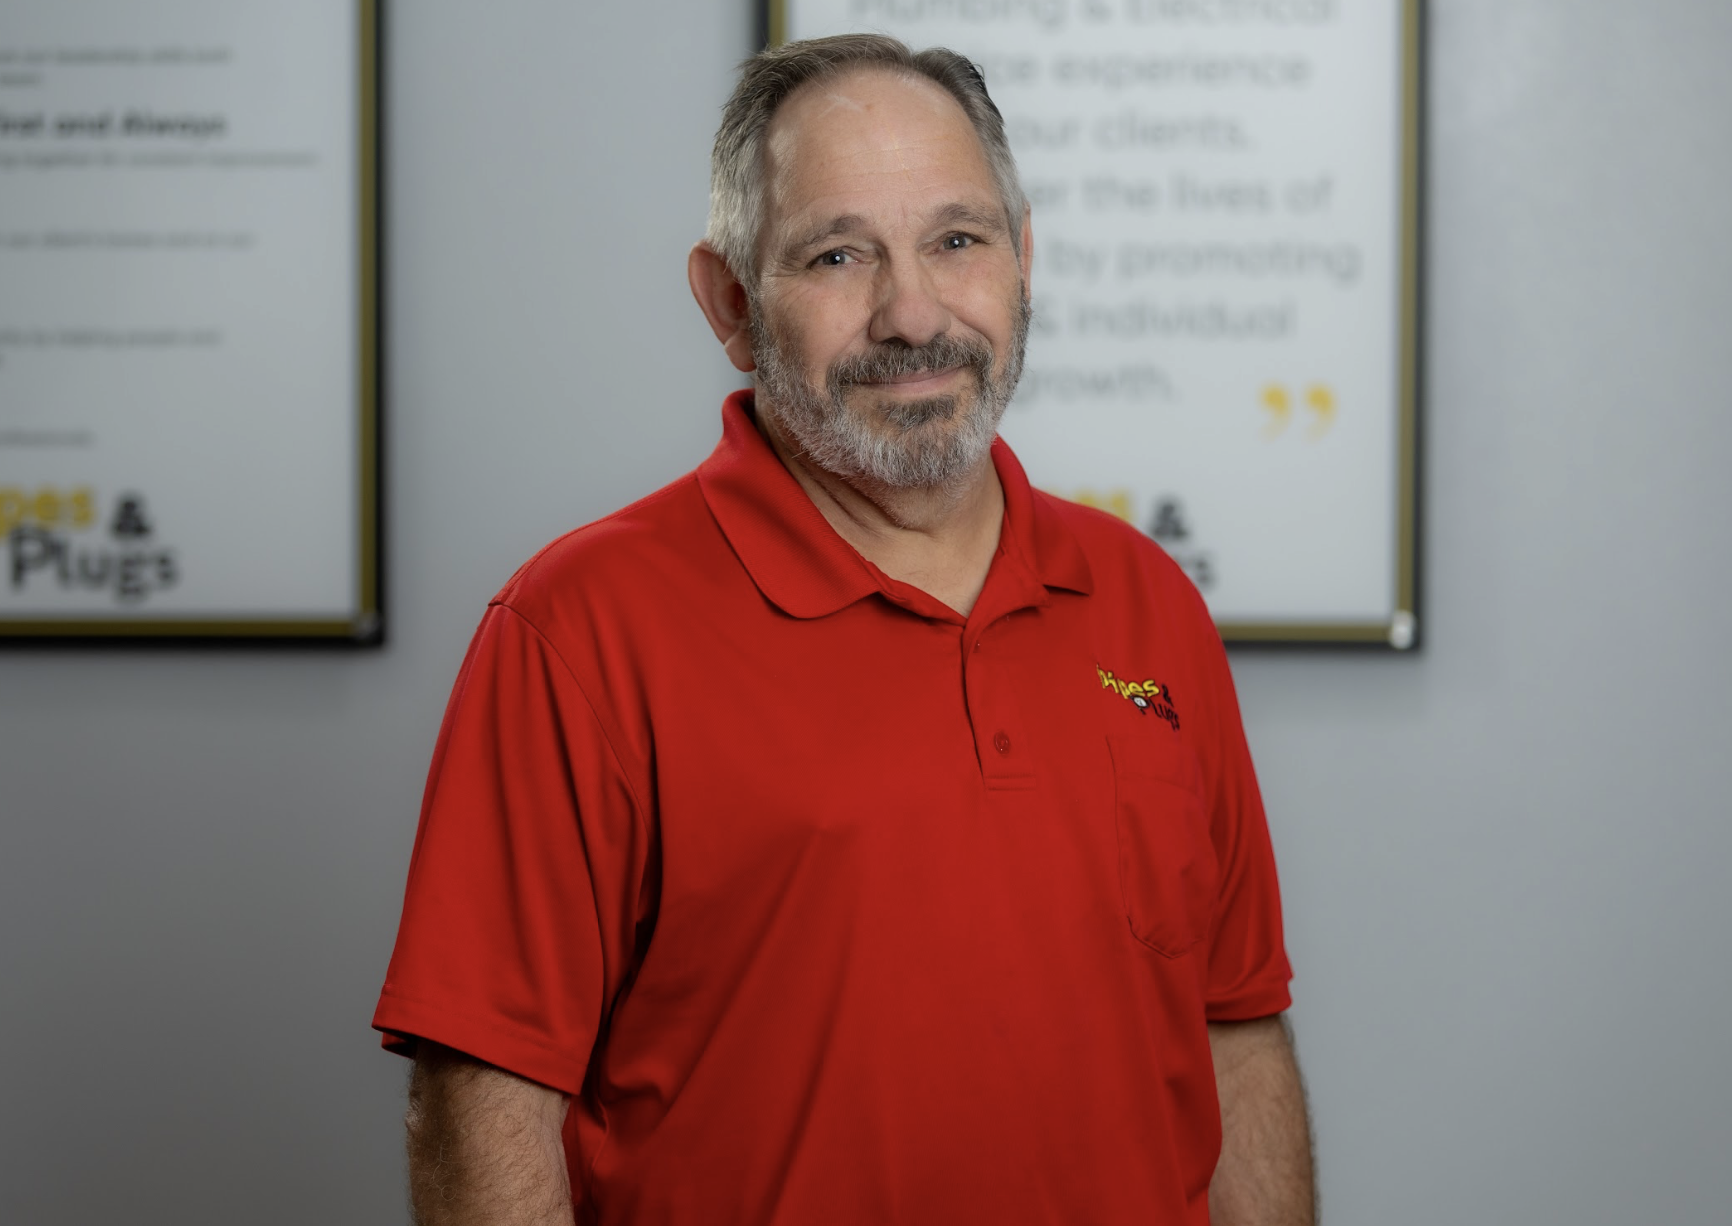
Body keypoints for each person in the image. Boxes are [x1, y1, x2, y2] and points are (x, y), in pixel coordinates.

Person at [374, 33, 1314, 1226]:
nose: (912, 313)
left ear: (1022, 258)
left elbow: (1236, 1029)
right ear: (730, 303)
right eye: (837, 254)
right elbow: (487, 1101)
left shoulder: (1147, 602)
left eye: (957, 240)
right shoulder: (578, 628)